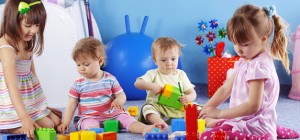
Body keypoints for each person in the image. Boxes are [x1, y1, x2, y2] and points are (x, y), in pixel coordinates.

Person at [199, 4, 299, 139]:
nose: (238, 50)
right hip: (245, 119)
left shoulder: (258, 66)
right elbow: (225, 89)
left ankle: (267, 134)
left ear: (263, 39)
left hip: (254, 126)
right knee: (210, 121)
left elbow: (253, 106)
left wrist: (220, 113)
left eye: (245, 44)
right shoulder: (246, 60)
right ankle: (271, 128)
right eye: (235, 43)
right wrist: (204, 110)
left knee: (207, 136)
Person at [57, 37, 162, 136]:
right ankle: (95, 132)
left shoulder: (110, 79)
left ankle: (144, 128)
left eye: (86, 64)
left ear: (100, 61)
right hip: (89, 116)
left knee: (126, 119)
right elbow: (71, 104)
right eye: (78, 65)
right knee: (88, 124)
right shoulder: (78, 83)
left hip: (112, 115)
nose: (82, 69)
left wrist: (118, 101)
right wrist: (65, 122)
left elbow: (121, 95)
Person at [0, 0, 61, 139]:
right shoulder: (7, 49)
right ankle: (10, 128)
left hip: (28, 99)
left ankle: (30, 118)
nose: (33, 30)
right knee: (48, 125)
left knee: (56, 122)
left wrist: (42, 106)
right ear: (13, 21)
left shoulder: (26, 41)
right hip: (10, 103)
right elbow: (12, 87)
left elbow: (32, 76)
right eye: (28, 25)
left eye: (37, 25)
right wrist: (24, 117)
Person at [135, 37, 197, 129]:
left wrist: (188, 97)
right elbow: (137, 83)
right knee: (147, 108)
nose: (169, 63)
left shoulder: (181, 74)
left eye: (173, 59)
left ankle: (208, 121)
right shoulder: (152, 74)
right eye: (163, 60)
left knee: (197, 107)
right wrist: (152, 86)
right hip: (159, 108)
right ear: (155, 60)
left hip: (178, 108)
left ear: (178, 57)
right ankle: (158, 122)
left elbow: (192, 92)